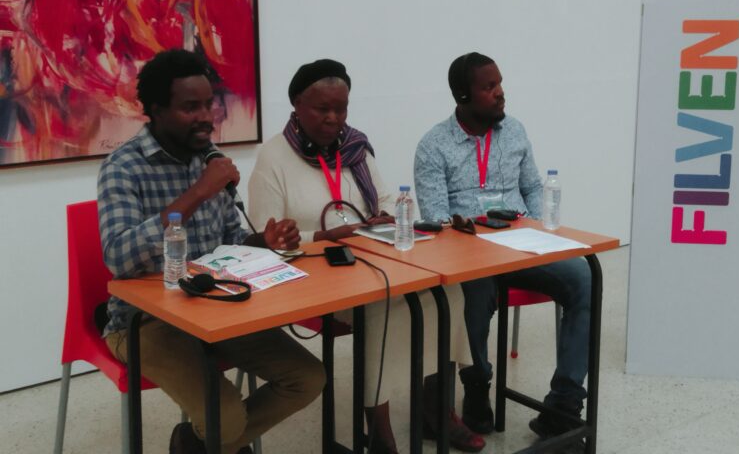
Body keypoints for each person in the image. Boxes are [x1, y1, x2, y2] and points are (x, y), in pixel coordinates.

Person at [248, 59, 485, 453]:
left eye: (341, 109)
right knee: (382, 306)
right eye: (322, 109)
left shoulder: (354, 147)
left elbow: (386, 197)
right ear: (297, 105)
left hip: (371, 259)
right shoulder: (273, 158)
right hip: (314, 273)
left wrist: (385, 216)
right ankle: (378, 430)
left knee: (447, 291)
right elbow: (264, 236)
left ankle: (437, 408)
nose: (333, 119)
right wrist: (320, 236)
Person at [98, 49, 326, 454]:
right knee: (226, 419)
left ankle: (196, 445)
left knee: (308, 378)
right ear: (156, 110)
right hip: (144, 322)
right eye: (190, 108)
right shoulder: (123, 167)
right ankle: (217, 439)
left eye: (209, 104)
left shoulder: (208, 158)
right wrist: (199, 192)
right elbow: (118, 256)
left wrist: (264, 241)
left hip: (216, 307)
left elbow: (229, 242)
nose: (206, 117)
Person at [414, 52, 591, 450]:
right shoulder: (433, 145)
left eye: (499, 84)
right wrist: (472, 236)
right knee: (474, 292)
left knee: (584, 277)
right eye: (489, 87)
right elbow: (435, 219)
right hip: (471, 255)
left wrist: (539, 229)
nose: (500, 93)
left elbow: (531, 187)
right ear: (463, 95)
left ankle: (563, 404)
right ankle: (477, 386)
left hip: (521, 246)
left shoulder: (514, 131)